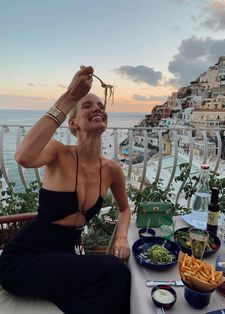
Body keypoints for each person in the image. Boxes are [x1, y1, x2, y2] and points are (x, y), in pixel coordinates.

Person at [0, 66, 131, 314]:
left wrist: (122, 236)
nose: (97, 109)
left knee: (108, 290)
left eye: (101, 106)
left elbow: (124, 209)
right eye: (87, 106)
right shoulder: (58, 152)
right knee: (114, 271)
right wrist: (70, 96)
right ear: (73, 124)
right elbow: (24, 157)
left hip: (61, 257)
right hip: (23, 257)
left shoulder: (112, 169)